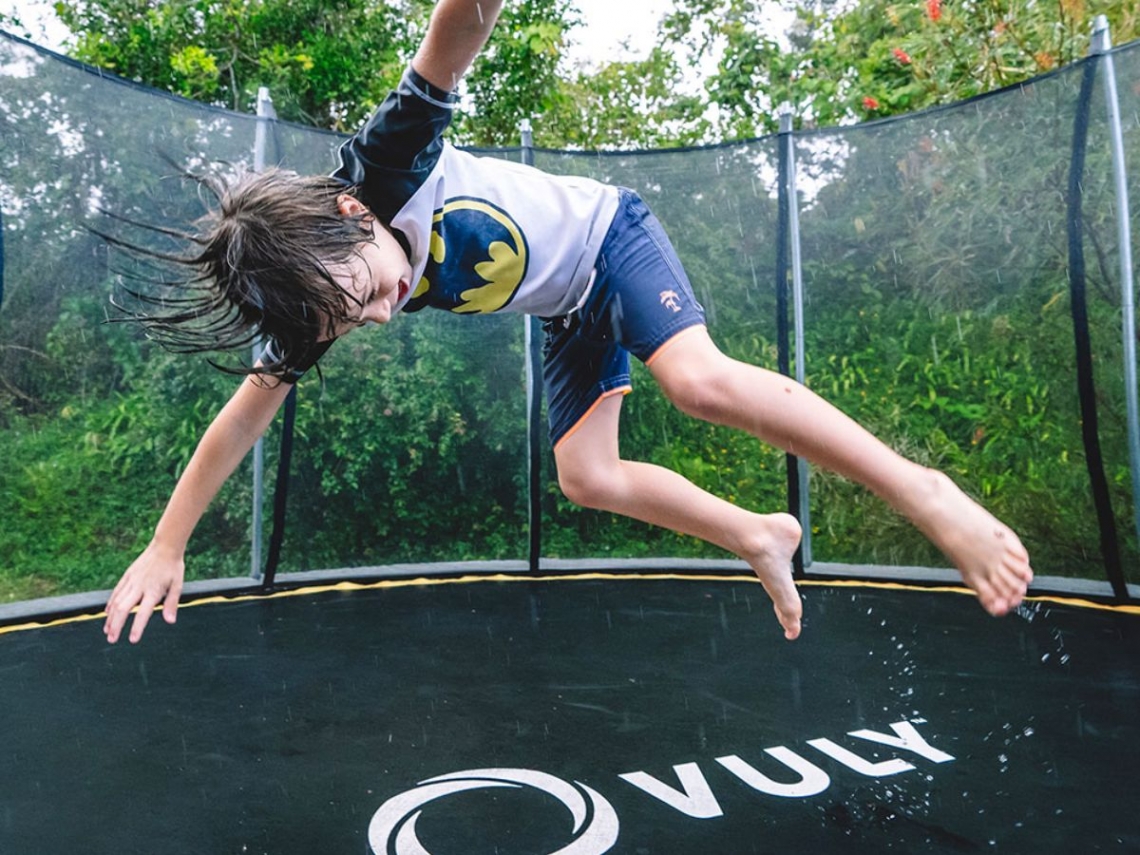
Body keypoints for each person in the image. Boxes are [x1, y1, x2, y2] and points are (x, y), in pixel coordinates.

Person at [102, 0, 1033, 645]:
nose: (382, 314)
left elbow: (451, 34)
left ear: (350, 217)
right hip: (566, 304)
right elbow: (243, 416)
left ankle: (924, 490)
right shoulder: (309, 296)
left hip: (609, 233)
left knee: (696, 381)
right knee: (586, 477)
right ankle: (759, 534)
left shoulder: (381, 164)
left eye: (370, 293)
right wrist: (167, 541)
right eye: (354, 321)